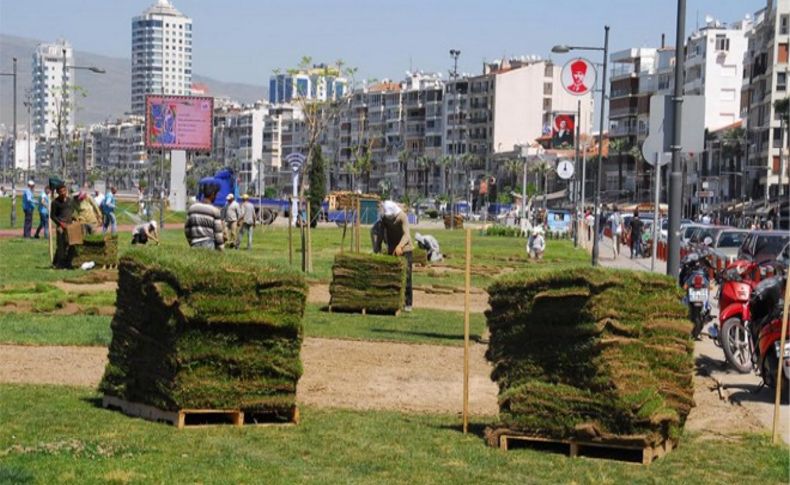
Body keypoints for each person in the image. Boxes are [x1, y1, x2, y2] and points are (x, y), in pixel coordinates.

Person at [374, 200, 414, 312]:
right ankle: (393, 301)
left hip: (406, 249)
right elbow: (381, 233)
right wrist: (377, 247)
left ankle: (408, 303)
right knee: (392, 275)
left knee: (407, 276)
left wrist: (400, 246)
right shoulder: (384, 218)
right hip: (392, 249)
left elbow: (407, 235)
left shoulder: (402, 216)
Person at [185, 182, 224, 250]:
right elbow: (218, 233)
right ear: (212, 194)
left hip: (195, 244)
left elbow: (187, 229)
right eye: (216, 195)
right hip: (209, 244)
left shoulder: (192, 208)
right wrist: (221, 249)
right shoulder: (215, 211)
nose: (216, 197)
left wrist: (191, 241)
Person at [49, 178, 74, 268]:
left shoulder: (70, 201)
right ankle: (59, 263)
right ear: (58, 192)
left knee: (71, 244)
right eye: (60, 191)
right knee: (61, 245)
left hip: (70, 226)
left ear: (66, 190)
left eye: (64, 191)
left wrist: (75, 218)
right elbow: (52, 216)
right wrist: (60, 223)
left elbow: (72, 212)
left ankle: (68, 263)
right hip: (61, 226)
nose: (63, 193)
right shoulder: (55, 202)